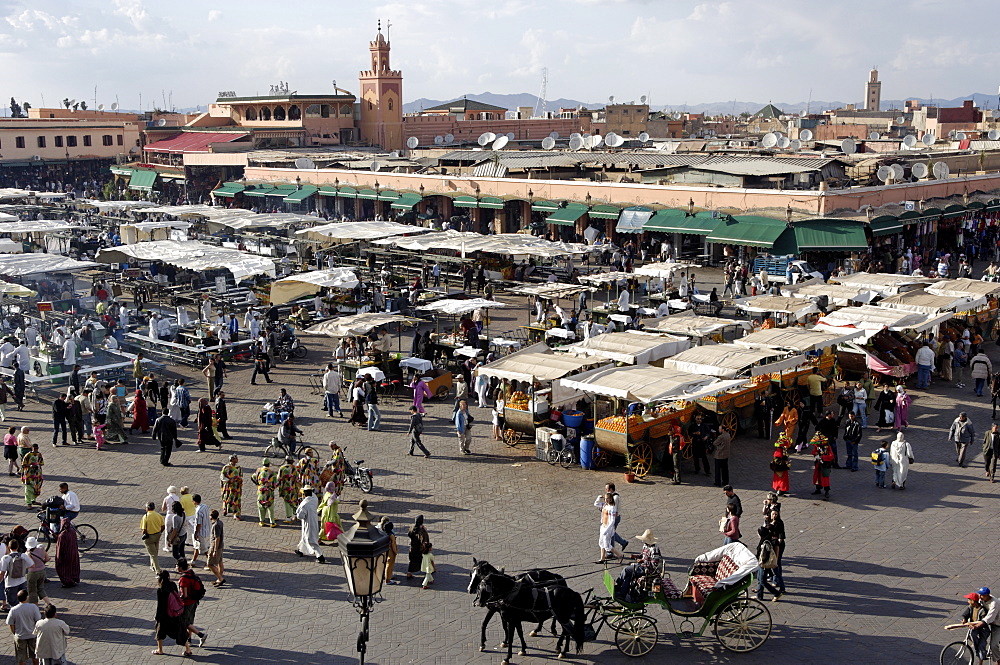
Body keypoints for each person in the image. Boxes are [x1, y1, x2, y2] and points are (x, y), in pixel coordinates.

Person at [152, 569, 191, 656]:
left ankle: (160, 649)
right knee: (179, 631)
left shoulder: (161, 590)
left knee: (160, 632)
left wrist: (157, 617)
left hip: (164, 615)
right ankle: (188, 649)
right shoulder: (173, 585)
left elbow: (160, 606)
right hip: (175, 613)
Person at [944, 592, 990, 663]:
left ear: (973, 601)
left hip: (983, 629)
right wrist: (964, 619)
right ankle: (976, 646)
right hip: (974, 627)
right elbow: (966, 614)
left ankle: (981, 654)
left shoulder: (982, 610)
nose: (968, 601)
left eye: (969, 600)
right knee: (972, 634)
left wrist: (975, 626)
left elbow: (982, 622)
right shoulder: (971, 607)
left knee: (981, 646)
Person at [175, 559, 208, 649]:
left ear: (181, 567)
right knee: (190, 621)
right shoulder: (191, 573)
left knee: (184, 622)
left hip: (187, 603)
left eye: (177, 566)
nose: (176, 567)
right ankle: (189, 640)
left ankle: (201, 635)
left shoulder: (183, 579)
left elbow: (184, 595)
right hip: (194, 601)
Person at [6, 589, 41, 665]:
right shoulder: (33, 607)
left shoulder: (13, 610)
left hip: (20, 636)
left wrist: (14, 633)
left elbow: (10, 624)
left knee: (21, 659)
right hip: (32, 635)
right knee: (35, 657)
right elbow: (38, 621)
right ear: (27, 597)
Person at [294, 487, 325, 564]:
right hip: (314, 521)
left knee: (311, 540)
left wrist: (299, 506)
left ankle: (320, 557)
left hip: (308, 523)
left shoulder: (304, 505)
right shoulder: (314, 498)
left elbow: (300, 516)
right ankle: (300, 550)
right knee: (304, 537)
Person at [0, 540, 32, 608]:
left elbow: (2, 573)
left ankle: (16, 615)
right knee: (23, 601)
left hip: (10, 583)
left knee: (13, 604)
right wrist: (22, 568)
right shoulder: (23, 555)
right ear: (18, 546)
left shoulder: (5, 558)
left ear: (9, 547)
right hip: (22, 581)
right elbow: (32, 565)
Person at [251, 458, 278, 528]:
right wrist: (272, 488)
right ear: (269, 464)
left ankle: (261, 521)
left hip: (261, 491)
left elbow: (252, 477)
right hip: (269, 492)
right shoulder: (272, 472)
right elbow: (276, 483)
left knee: (261, 506)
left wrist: (258, 484)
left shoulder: (258, 471)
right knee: (270, 507)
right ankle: (272, 522)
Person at [595, 492, 620, 562]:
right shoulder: (605, 505)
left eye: (608, 499)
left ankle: (619, 555)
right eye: (605, 499)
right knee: (601, 542)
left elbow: (612, 521)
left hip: (608, 528)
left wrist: (606, 531)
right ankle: (602, 558)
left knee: (607, 545)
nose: (606, 500)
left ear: (611, 499)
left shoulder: (612, 508)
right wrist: (598, 498)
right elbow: (596, 504)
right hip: (603, 526)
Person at [54, 519, 79, 588]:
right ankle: (73, 579)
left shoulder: (62, 535)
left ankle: (67, 581)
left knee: (64, 569)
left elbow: (59, 547)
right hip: (73, 552)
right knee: (73, 567)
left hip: (65, 555)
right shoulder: (73, 532)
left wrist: (58, 558)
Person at [141, 502, 164, 575]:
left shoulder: (146, 517)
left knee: (153, 554)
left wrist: (143, 534)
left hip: (149, 537)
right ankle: (152, 566)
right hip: (157, 535)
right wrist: (160, 532)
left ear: (147, 508)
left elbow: (144, 529)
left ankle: (158, 571)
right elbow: (163, 526)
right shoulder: (158, 515)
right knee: (155, 551)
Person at [277, 456, 301, 523]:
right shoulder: (294, 468)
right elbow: (297, 478)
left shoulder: (282, 468)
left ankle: (289, 518)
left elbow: (279, 479)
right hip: (293, 488)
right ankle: (296, 515)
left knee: (287, 502)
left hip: (285, 489)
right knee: (294, 502)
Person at [406, 516, 429, 581]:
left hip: (412, 547)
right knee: (423, 559)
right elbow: (425, 539)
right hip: (419, 548)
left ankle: (409, 573)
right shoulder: (422, 530)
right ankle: (428, 570)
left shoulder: (412, 527)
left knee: (412, 561)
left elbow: (409, 534)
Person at [811, 434, 834, 500]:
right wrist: (815, 453)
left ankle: (827, 491)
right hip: (818, 464)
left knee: (825, 478)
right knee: (817, 477)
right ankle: (818, 489)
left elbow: (831, 456)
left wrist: (823, 457)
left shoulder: (827, 447)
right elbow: (814, 451)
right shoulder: (817, 446)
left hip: (825, 464)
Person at [219, 455, 243, 520]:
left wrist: (239, 481)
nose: (237, 459)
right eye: (236, 458)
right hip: (229, 486)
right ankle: (225, 509)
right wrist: (229, 480)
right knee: (227, 498)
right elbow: (222, 476)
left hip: (236, 486)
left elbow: (240, 475)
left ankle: (236, 514)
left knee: (236, 500)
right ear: (232, 460)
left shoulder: (238, 467)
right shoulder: (226, 467)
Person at [191, 495, 211, 566]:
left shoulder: (198, 511)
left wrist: (196, 533)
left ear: (195, 501)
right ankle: (193, 561)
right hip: (207, 529)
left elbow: (198, 524)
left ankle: (211, 563)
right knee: (196, 546)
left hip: (201, 532)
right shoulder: (205, 506)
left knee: (204, 549)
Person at [207, 510, 225, 586]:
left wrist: (214, 550)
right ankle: (219, 577)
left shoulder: (215, 525)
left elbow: (217, 538)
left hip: (215, 547)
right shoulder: (220, 522)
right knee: (220, 562)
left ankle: (220, 578)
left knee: (210, 564)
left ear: (211, 516)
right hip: (220, 546)